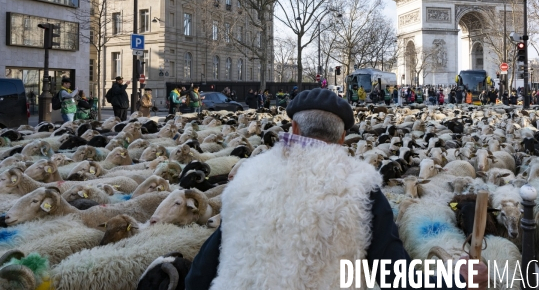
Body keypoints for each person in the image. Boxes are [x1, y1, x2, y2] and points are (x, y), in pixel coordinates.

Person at [185, 88, 488, 289]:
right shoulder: (361, 188)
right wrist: (456, 279)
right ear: (343, 138)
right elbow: (396, 277)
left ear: (294, 129)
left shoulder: (246, 179)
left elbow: (199, 276)